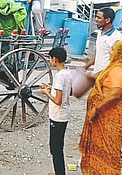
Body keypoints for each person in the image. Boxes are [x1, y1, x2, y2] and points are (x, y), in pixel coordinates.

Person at [79, 40, 122, 174]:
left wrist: (96, 108)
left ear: (120, 53)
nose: (111, 52)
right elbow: (97, 76)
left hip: (110, 115)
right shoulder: (115, 67)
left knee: (109, 152)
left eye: (113, 49)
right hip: (106, 115)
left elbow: (115, 93)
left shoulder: (119, 70)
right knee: (100, 150)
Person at [40, 47, 72, 175]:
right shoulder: (67, 72)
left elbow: (58, 101)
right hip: (64, 114)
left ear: (55, 59)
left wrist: (46, 92)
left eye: (50, 58)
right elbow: (66, 91)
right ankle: (58, 171)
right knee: (57, 146)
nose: (50, 60)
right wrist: (51, 87)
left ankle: (60, 173)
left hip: (58, 116)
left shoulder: (59, 76)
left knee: (55, 148)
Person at [84, 7, 122, 79]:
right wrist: (84, 67)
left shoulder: (117, 38)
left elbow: (118, 62)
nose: (96, 19)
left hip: (108, 78)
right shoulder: (99, 33)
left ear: (107, 20)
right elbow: (97, 54)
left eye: (99, 18)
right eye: (96, 17)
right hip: (98, 77)